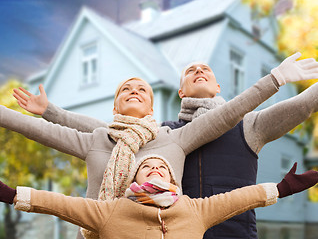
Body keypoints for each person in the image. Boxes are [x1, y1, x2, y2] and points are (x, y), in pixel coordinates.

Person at [12, 53, 318, 238]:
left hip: (232, 234)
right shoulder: (163, 134)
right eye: (190, 71)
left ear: (219, 87)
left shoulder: (245, 125)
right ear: (181, 92)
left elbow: (296, 105)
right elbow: (98, 132)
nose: (199, 71)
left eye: (206, 70)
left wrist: (278, 78)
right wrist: (51, 112)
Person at [1, 154, 318, 239]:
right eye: (146, 167)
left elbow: (240, 198)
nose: (154, 169)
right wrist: (9, 194)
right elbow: (57, 203)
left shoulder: (194, 208)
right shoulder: (110, 212)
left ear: (172, 179)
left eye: (160, 167)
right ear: (134, 179)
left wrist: (283, 187)